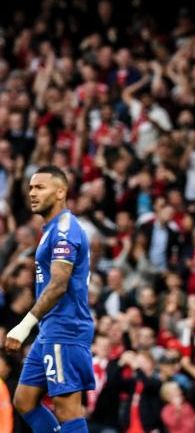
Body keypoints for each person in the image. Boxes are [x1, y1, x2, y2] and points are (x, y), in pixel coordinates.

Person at [4, 166, 94, 433]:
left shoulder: (65, 229)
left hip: (66, 329)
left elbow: (58, 284)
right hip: (50, 330)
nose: (32, 193)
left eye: (40, 187)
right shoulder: (51, 229)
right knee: (24, 400)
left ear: (60, 191)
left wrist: (24, 325)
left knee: (67, 410)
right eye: (31, 188)